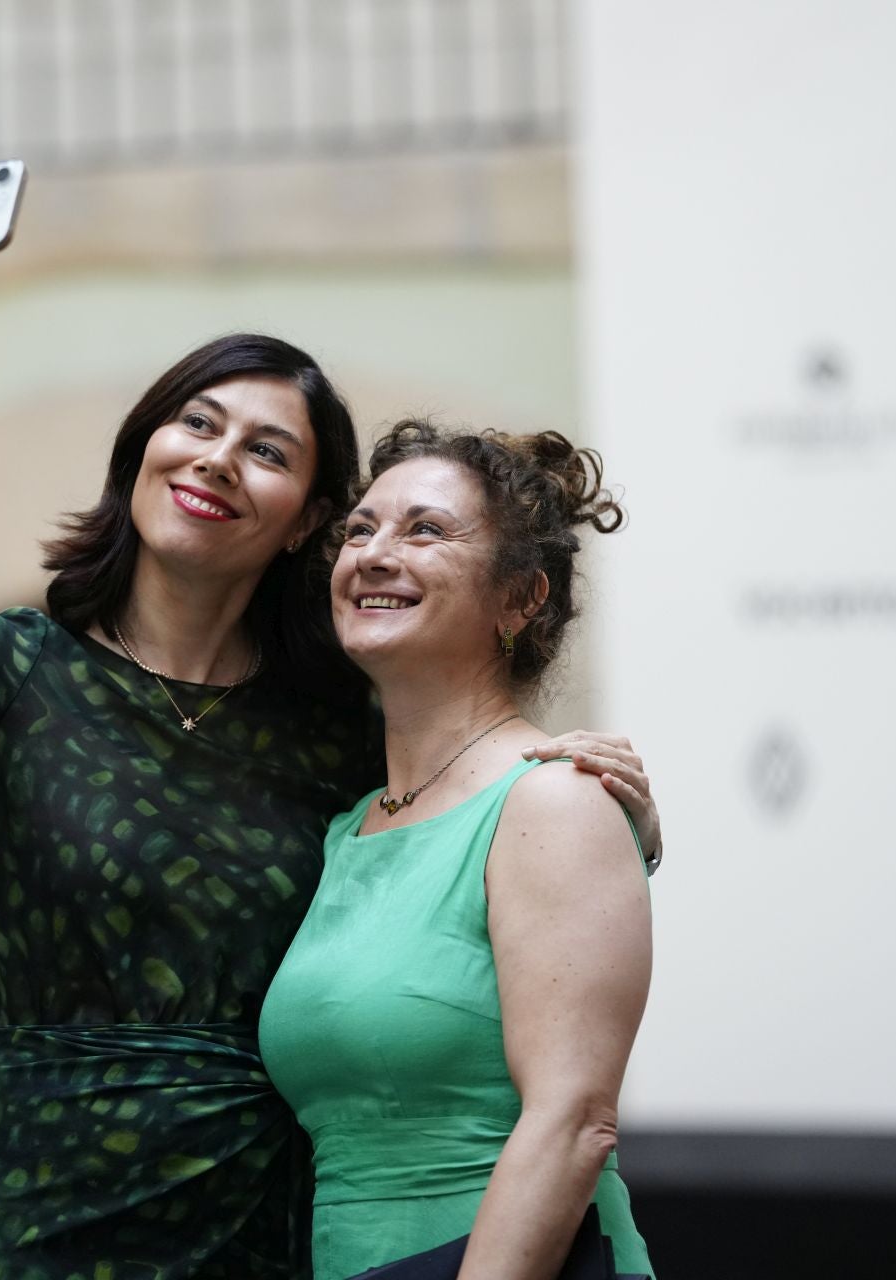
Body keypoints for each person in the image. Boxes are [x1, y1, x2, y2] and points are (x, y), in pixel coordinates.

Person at [0, 151, 661, 1277]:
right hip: (42, 1199)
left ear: (307, 521)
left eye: (268, 449)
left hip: (267, 1210)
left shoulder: (346, 713)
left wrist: (605, 796)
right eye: (196, 422)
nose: (218, 458)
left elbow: (479, 816)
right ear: (144, 445)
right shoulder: (14, 672)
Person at [259, 422, 656, 1279]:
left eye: (425, 530)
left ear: (519, 601)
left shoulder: (553, 795)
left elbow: (575, 1120)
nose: (373, 552)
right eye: (360, 529)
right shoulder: (352, 826)